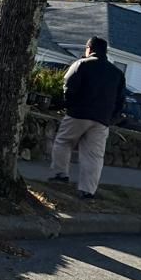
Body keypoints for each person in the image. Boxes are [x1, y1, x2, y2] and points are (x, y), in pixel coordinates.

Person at [48, 36, 127, 198]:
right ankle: (87, 190)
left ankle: (60, 174)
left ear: (89, 49)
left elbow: (68, 88)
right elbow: (120, 101)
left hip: (78, 113)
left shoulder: (81, 65)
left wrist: (67, 105)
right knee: (93, 155)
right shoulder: (117, 73)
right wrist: (111, 119)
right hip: (102, 120)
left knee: (63, 141)